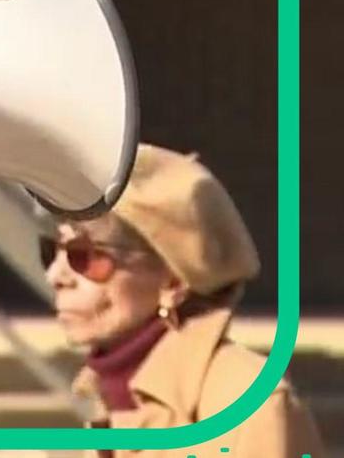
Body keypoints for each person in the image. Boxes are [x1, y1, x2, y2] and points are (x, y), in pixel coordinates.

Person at [41, 143, 325, 457]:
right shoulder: (110, 396)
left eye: (84, 256)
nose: (55, 275)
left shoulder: (246, 406)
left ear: (173, 282)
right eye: (51, 250)